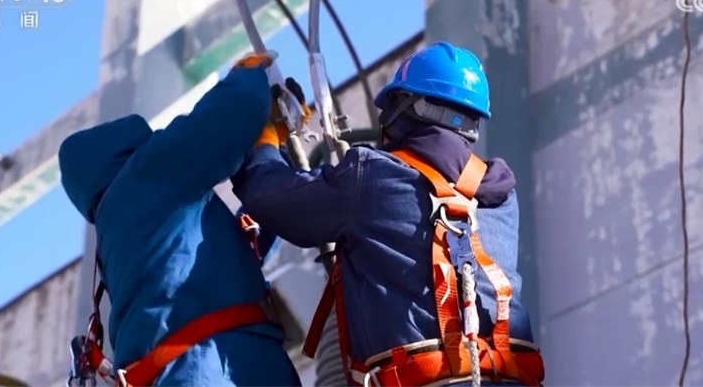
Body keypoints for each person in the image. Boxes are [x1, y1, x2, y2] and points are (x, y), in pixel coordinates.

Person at [231, 42, 546, 386]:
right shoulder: (500, 195)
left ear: (407, 107)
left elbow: (269, 195)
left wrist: (266, 140)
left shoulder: (372, 176)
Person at [58, 53, 301, 387]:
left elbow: (234, 255)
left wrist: (275, 151)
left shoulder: (119, 236)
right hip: (210, 366)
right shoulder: (143, 176)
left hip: (195, 368)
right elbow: (226, 119)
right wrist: (248, 76)